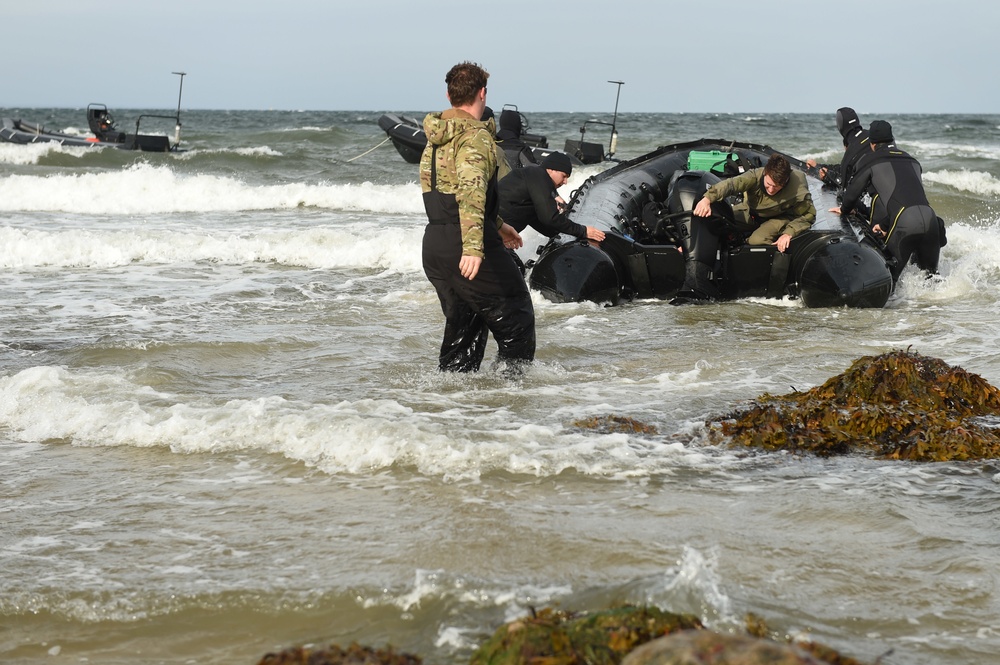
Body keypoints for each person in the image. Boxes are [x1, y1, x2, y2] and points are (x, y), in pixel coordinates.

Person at [420, 61, 535, 375]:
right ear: (483, 93)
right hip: (465, 242)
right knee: (516, 313)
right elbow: (470, 192)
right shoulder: (476, 137)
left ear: (449, 95)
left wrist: (498, 225)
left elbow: (448, 192)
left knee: (466, 324)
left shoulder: (436, 138)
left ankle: (454, 400)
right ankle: (514, 393)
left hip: (435, 245)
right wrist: (474, 248)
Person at [832, 120, 942, 281]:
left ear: (872, 143)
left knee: (889, 281)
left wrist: (845, 209)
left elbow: (852, 192)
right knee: (932, 281)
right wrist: (885, 225)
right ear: (892, 139)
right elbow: (909, 199)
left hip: (905, 222)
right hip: (931, 219)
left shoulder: (871, 160)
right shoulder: (913, 161)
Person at [693, 153, 816, 253]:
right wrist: (707, 199)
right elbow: (731, 184)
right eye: (769, 185)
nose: (772, 190)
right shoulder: (754, 176)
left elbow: (808, 215)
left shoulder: (798, 189)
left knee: (756, 241)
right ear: (765, 173)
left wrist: (789, 233)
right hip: (751, 212)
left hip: (779, 218)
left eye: (777, 187)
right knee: (716, 219)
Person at [498, 151, 606, 246]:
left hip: (495, 233)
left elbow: (539, 220)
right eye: (564, 176)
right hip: (492, 232)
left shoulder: (532, 176)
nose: (565, 182)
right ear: (551, 169)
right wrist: (583, 231)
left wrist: (562, 236)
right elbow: (550, 218)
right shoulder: (539, 176)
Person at [806, 107, 870, 197]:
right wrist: (819, 166)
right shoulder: (871, 135)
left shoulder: (851, 151)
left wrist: (827, 176)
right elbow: (846, 169)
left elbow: (843, 184)